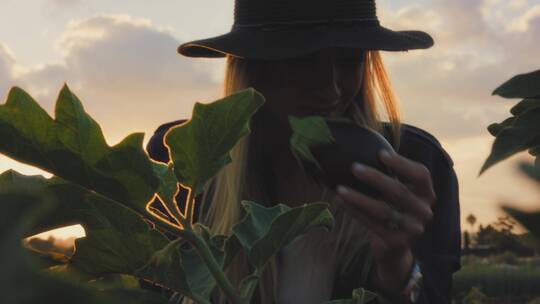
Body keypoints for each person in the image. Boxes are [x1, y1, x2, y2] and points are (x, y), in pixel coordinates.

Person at [146, 0, 462, 303]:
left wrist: (398, 268)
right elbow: (150, 291)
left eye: (350, 60)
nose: (332, 88)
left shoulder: (414, 164)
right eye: (301, 60)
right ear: (252, 69)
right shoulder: (185, 157)